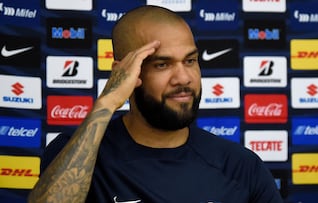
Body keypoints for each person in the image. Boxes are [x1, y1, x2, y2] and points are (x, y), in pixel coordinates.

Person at [28, 5, 283, 203]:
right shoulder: (78, 153)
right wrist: (107, 102)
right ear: (126, 73)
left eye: (190, 61)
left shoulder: (240, 166)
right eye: (162, 64)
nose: (183, 78)